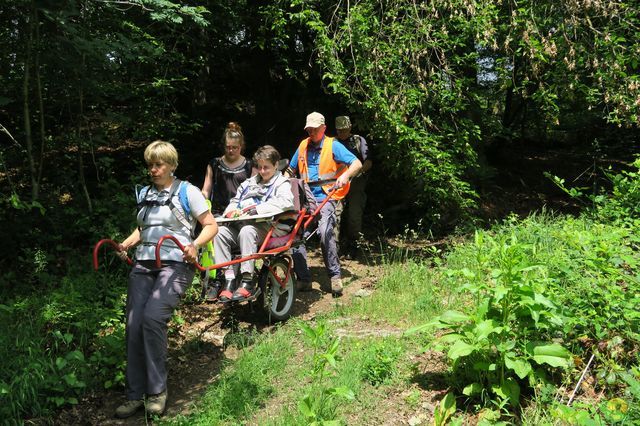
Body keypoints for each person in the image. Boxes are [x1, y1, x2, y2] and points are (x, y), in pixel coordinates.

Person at [114, 141, 217, 418]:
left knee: (152, 319)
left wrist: (194, 245)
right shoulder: (146, 193)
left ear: (171, 165)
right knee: (134, 325)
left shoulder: (187, 191)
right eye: (150, 164)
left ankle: (157, 391)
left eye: (158, 164)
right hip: (144, 264)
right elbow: (144, 228)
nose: (153, 169)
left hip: (176, 264)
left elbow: (211, 225)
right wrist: (126, 245)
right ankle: (135, 395)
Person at [287, 112, 362, 296]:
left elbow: (357, 163)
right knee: (295, 236)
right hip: (305, 198)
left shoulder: (333, 145)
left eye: (315, 129)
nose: (311, 132)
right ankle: (304, 279)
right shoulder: (303, 145)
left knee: (325, 232)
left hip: (326, 196)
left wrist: (345, 175)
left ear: (323, 128)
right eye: (309, 129)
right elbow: (290, 169)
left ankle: (335, 276)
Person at [214, 145, 295, 302]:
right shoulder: (248, 183)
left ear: (276, 165)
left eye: (267, 167)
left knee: (247, 231)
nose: (263, 171)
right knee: (219, 233)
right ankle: (229, 279)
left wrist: (258, 209)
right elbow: (235, 201)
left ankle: (247, 280)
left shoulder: (282, 183)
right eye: (259, 167)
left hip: (271, 226)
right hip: (244, 224)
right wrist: (230, 211)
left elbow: (286, 202)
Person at [335, 115, 373, 259]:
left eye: (344, 130)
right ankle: (334, 247)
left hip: (356, 182)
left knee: (354, 215)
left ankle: (353, 245)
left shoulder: (359, 140)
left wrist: (357, 172)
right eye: (339, 131)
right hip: (337, 182)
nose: (342, 133)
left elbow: (368, 162)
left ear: (350, 127)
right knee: (335, 214)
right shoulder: (333, 143)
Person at [201, 122, 254, 216]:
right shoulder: (214, 164)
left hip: (241, 213)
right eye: (228, 147)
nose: (231, 150)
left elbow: (254, 191)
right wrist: (202, 206)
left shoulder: (250, 165)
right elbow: (206, 190)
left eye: (235, 147)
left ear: (241, 146)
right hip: (218, 214)